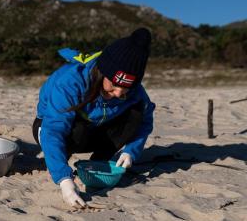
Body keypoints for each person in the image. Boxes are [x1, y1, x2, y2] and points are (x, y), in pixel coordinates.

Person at [33, 28, 155, 208]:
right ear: (102, 71)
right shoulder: (71, 82)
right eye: (114, 85)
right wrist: (64, 180)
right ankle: (59, 162)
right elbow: (54, 130)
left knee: (136, 114)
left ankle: (99, 161)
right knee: (74, 134)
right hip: (51, 128)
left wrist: (131, 150)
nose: (119, 92)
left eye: (126, 87)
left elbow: (145, 119)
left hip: (95, 127)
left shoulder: (134, 91)